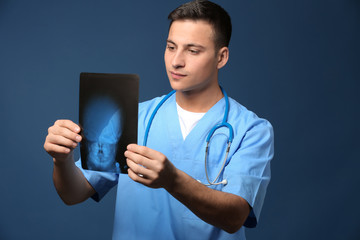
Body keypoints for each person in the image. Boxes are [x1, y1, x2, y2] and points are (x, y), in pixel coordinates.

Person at [44, 1, 274, 239]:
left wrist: (172, 180)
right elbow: (73, 194)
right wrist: (62, 160)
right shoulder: (136, 117)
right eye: (171, 47)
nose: (176, 61)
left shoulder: (251, 130)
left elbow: (234, 217)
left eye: (192, 51)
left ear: (221, 57)